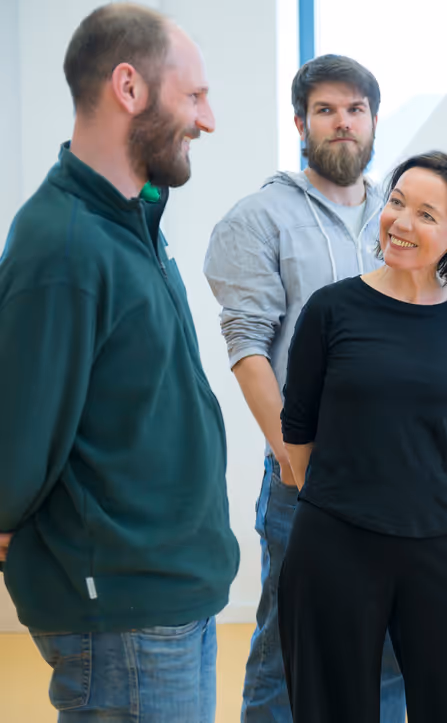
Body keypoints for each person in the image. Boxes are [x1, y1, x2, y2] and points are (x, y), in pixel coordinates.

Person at [0, 4, 238, 721]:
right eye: (193, 95)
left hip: (164, 596)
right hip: (122, 614)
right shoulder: (64, 248)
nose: (208, 118)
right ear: (129, 88)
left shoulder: (132, 219)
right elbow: (18, 443)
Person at [204, 54, 406, 722]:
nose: (342, 122)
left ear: (373, 120)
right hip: (308, 473)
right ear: (300, 122)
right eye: (326, 109)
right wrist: (294, 458)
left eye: (355, 109)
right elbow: (247, 348)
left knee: (392, 647)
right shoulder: (260, 216)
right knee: (289, 645)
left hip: (395, 471)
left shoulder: (400, 216)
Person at [277, 151, 447, 723]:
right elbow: (297, 433)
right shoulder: (332, 309)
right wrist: (349, 504)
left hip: (438, 541)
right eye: (396, 202)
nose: (400, 222)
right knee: (333, 708)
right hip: (337, 541)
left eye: (426, 214)